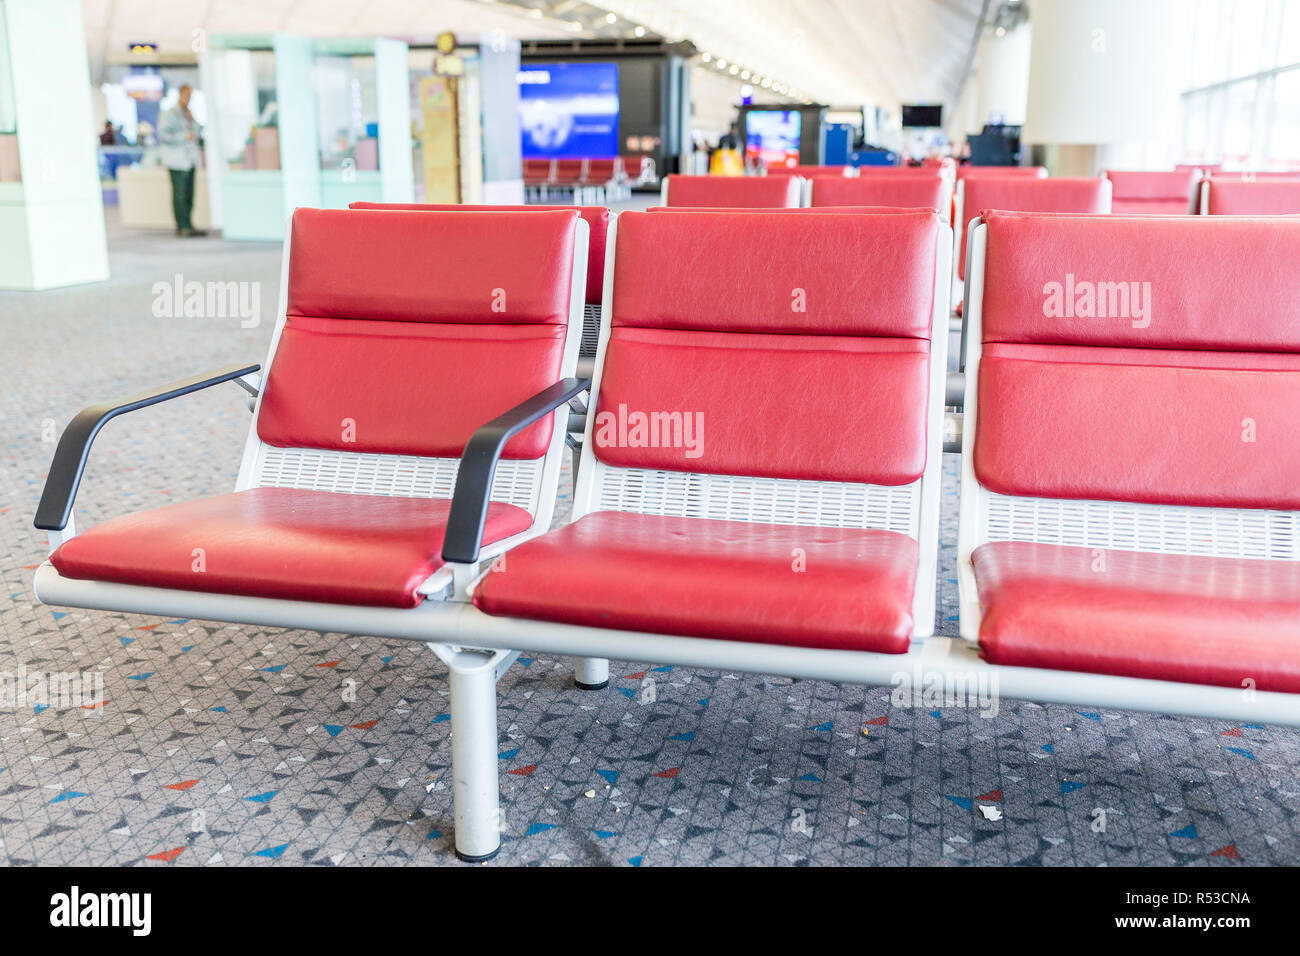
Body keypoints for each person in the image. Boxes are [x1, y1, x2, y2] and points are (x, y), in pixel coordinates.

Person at [157, 84, 206, 236]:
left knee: (189, 194)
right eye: (186, 95)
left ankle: (188, 224)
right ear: (180, 95)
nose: (188, 99)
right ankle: (182, 226)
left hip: (190, 160)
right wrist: (183, 137)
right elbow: (163, 135)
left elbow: (198, 132)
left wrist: (194, 122)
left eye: (190, 96)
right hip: (176, 161)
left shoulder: (189, 114)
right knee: (179, 195)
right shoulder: (170, 114)